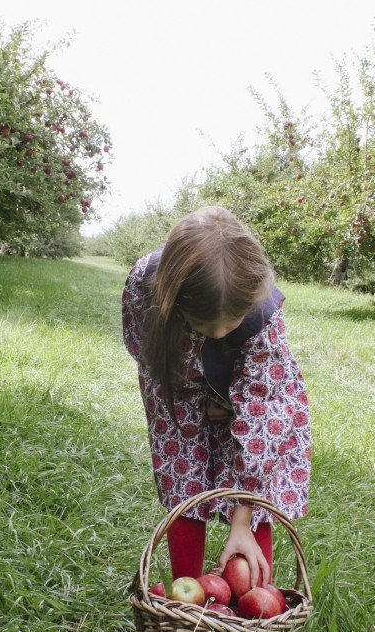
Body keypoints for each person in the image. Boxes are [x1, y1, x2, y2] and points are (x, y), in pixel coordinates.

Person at [122, 205, 311, 590]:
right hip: (181, 389)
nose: (222, 333)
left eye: (232, 322)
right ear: (173, 302)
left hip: (258, 396)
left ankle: (252, 601)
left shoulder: (262, 317)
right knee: (182, 473)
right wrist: (196, 395)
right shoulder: (145, 286)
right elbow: (147, 355)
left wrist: (239, 521)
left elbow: (261, 419)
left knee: (250, 491)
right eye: (207, 325)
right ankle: (185, 594)